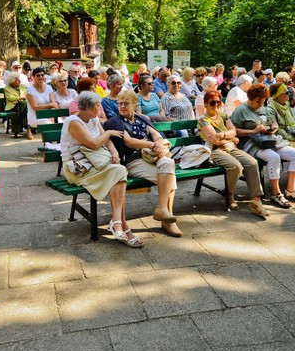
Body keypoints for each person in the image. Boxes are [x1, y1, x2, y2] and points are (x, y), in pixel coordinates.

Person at [60, 92, 141, 247]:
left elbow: (106, 139)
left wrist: (114, 153)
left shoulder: (94, 118)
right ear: (87, 107)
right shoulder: (73, 122)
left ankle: (117, 222)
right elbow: (94, 144)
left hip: (95, 163)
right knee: (119, 173)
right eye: (97, 106)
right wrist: (109, 132)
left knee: (119, 171)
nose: (100, 109)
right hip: (77, 169)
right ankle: (121, 224)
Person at [104, 90, 182, 237]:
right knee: (169, 178)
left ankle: (162, 209)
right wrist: (153, 145)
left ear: (135, 105)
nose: (122, 106)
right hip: (133, 160)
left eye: (126, 103)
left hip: (152, 157)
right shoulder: (115, 122)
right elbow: (129, 142)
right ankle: (167, 220)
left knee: (168, 163)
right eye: (120, 104)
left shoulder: (141, 119)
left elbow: (156, 135)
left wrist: (159, 144)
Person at [231, 84, 295, 208]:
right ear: (250, 98)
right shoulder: (241, 110)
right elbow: (234, 131)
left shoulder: (263, 108)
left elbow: (274, 123)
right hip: (251, 143)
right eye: (257, 101)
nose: (260, 104)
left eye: (262, 101)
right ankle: (276, 193)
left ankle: (291, 189)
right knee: (274, 157)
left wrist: (273, 129)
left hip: (268, 140)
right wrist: (253, 131)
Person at [198, 91, 268, 217]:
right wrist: (231, 138)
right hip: (215, 151)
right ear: (206, 104)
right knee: (236, 166)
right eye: (212, 102)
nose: (216, 105)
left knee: (252, 163)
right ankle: (229, 194)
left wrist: (225, 135)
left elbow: (234, 131)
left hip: (231, 148)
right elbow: (215, 141)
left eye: (218, 102)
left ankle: (256, 201)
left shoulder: (224, 116)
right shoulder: (203, 120)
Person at [4, 71, 30, 138]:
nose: (20, 81)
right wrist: (19, 98)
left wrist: (22, 99)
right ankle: (27, 125)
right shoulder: (7, 88)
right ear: (12, 81)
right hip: (13, 105)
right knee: (24, 104)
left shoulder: (22, 86)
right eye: (18, 80)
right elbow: (10, 98)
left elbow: (26, 95)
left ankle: (18, 128)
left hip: (22, 105)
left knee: (23, 104)